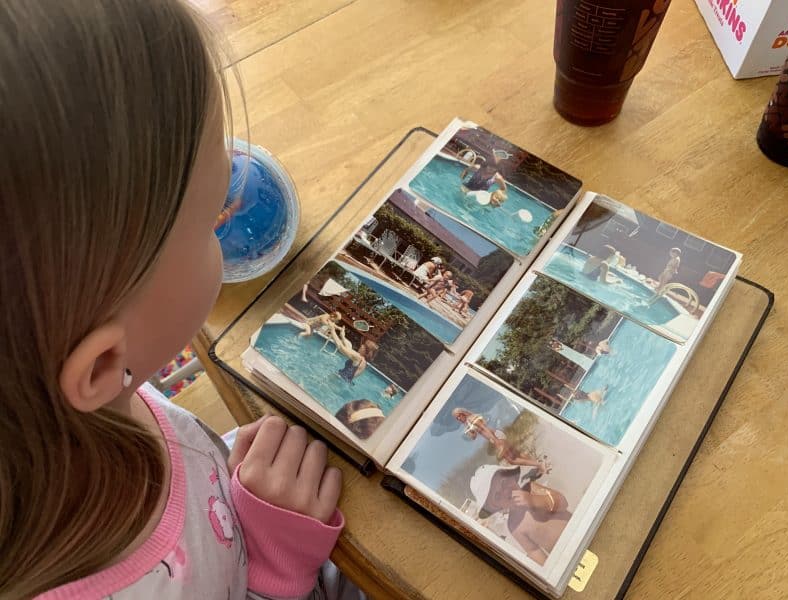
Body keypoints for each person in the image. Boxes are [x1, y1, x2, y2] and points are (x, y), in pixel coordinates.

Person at [0, 3, 365, 598]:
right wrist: (274, 574)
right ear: (96, 364)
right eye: (211, 218)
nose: (225, 217)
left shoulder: (67, 397)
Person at [470, 465, 571, 565]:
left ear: (511, 476)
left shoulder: (531, 488)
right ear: (496, 507)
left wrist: (534, 500)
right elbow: (533, 551)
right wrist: (547, 568)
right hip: (563, 556)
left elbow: (563, 502)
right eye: (497, 496)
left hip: (575, 529)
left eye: (504, 483)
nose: (505, 492)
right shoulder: (514, 526)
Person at [451, 409, 551, 473]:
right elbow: (474, 436)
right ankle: (539, 463)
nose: (459, 418)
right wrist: (470, 432)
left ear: (462, 413)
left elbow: (485, 429)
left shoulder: (472, 419)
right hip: (495, 436)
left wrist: (495, 440)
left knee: (511, 460)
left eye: (459, 415)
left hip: (495, 436)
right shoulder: (469, 422)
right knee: (516, 454)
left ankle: (539, 465)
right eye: (457, 418)